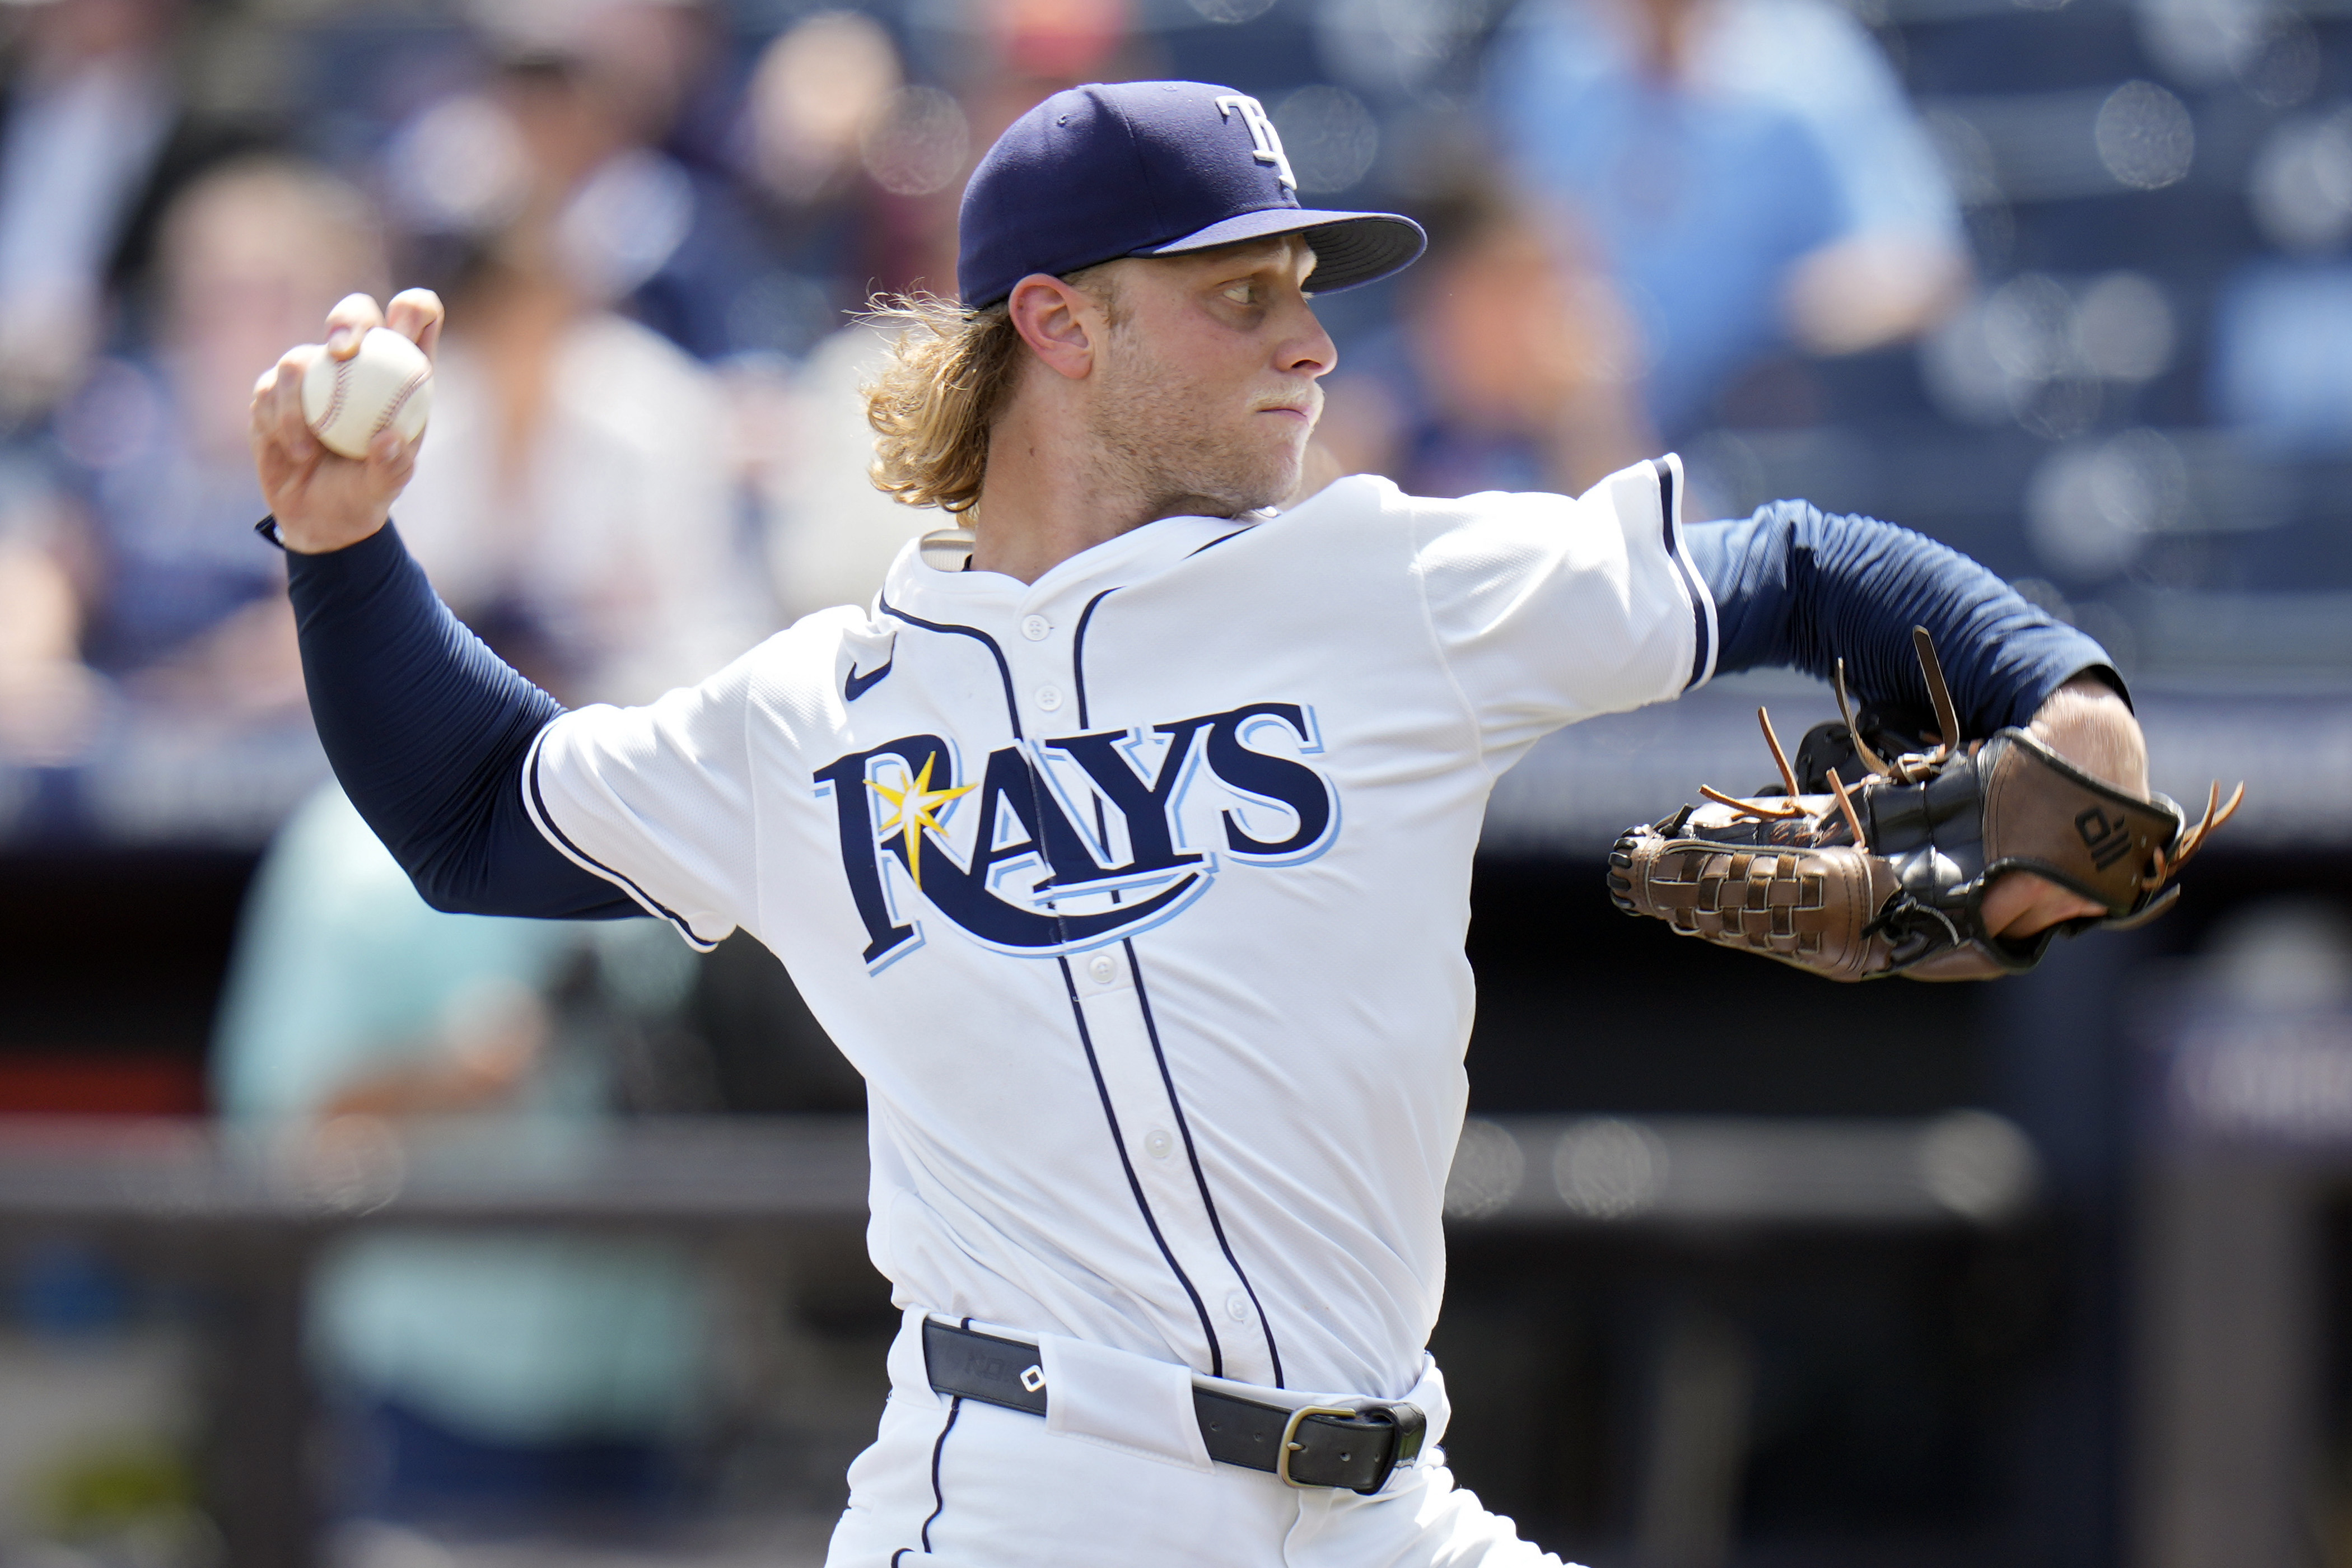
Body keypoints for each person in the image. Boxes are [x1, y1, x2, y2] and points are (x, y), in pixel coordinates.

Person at [249, 81, 2147, 1566]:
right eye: (1243, 295)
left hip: (1384, 1501)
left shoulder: (1389, 588)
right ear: (1061, 323)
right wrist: (341, 552)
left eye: (1308, 295)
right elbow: (478, 812)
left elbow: (1803, 570)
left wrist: (2062, 694)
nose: (1308, 343)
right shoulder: (815, 716)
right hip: (1037, 1500)